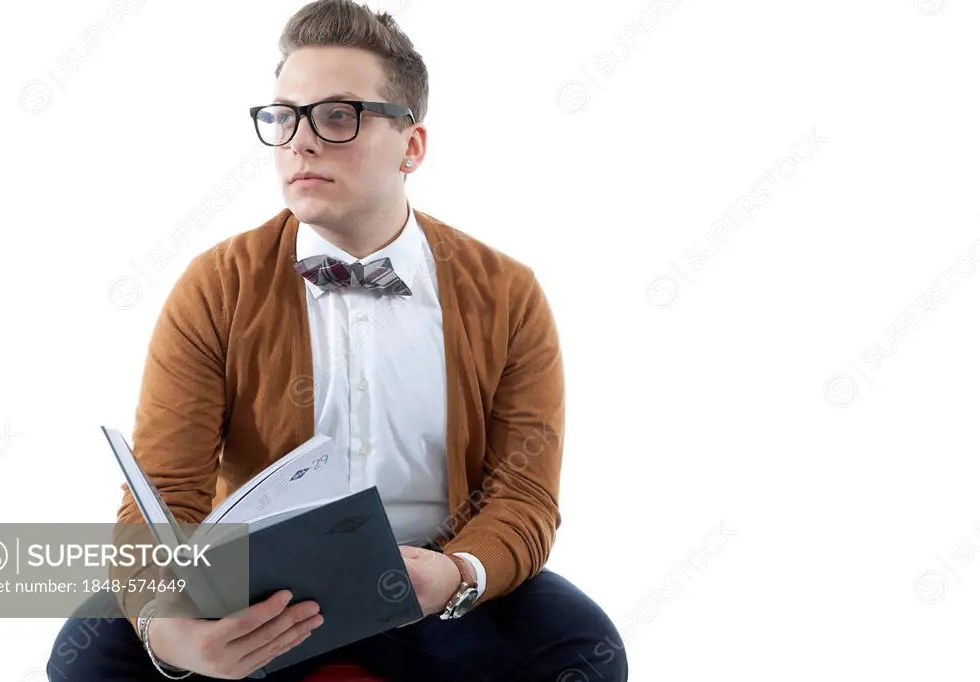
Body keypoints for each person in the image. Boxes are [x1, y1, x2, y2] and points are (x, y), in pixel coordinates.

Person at [47, 1, 628, 679]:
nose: (300, 140)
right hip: (257, 584)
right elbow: (165, 495)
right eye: (284, 116)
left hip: (426, 582)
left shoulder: (508, 294)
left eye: (337, 115)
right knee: (90, 655)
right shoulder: (216, 285)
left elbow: (524, 497)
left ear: (412, 145)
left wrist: (459, 572)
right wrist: (166, 631)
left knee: (586, 647)